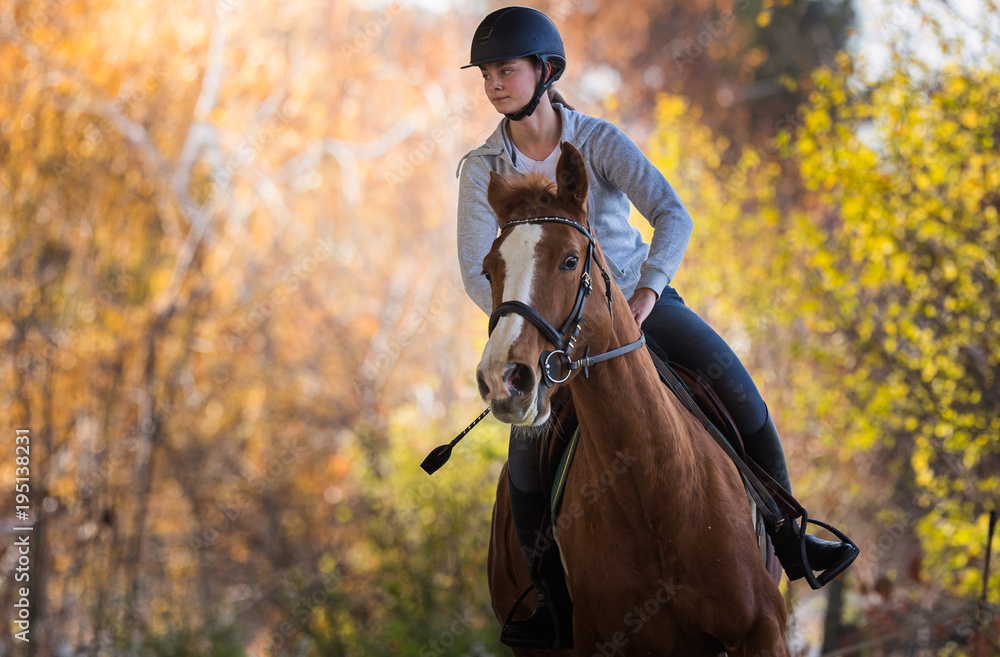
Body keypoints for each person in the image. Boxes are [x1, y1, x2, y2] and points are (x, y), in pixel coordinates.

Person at [456, 6, 859, 650]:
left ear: (545, 71)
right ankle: (544, 600)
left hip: (636, 304)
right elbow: (481, 272)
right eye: (487, 74)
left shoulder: (600, 141)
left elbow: (673, 214)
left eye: (506, 70)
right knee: (525, 457)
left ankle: (790, 532)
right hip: (550, 327)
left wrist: (647, 292)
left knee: (740, 391)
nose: (494, 83)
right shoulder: (482, 169)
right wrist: (526, 333)